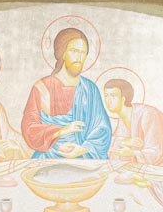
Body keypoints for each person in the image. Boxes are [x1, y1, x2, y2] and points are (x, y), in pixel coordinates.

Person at [21, 27, 112, 160]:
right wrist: (60, 131)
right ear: (63, 53)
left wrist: (83, 148)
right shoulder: (41, 88)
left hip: (84, 157)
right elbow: (29, 128)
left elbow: (103, 127)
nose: (79, 57)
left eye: (83, 52)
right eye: (74, 51)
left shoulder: (90, 89)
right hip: (48, 158)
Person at [103, 78, 163, 173]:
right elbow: (111, 145)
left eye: (113, 96)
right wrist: (123, 142)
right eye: (106, 96)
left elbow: (158, 152)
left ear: (123, 99)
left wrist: (132, 152)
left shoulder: (147, 114)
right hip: (146, 170)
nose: (108, 100)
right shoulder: (123, 119)